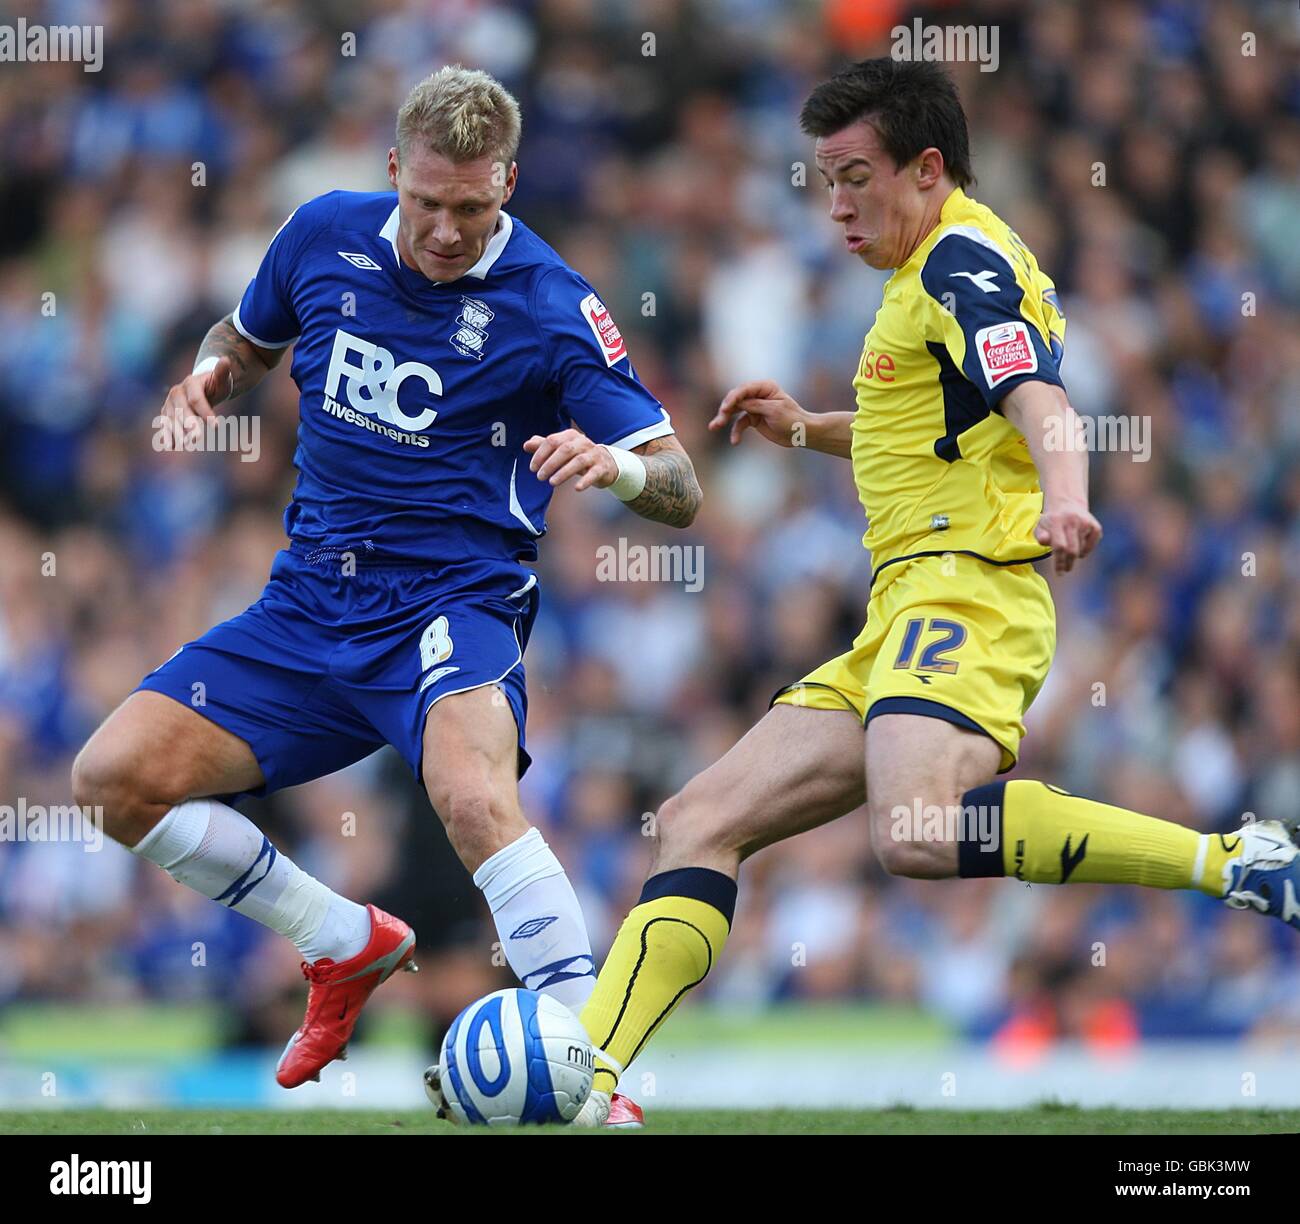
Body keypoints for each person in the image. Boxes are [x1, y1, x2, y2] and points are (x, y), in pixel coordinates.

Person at [548, 57, 1297, 1128]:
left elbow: (1041, 402)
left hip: (967, 596)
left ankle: (1231, 859)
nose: (838, 205)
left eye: (856, 176)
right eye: (823, 180)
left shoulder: (961, 264)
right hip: (904, 608)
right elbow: (944, 424)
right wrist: (807, 428)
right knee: (694, 821)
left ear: (927, 167)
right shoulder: (925, 278)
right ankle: (595, 1081)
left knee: (912, 829)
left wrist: (1068, 501)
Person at [71, 65, 700, 1117]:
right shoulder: (322, 234)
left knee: (470, 798)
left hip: (452, 605)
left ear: (508, 181)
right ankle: (340, 943)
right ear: (395, 170)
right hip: (308, 606)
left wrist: (618, 468)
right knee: (113, 780)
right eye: (428, 203)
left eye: (474, 207)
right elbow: (246, 336)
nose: (448, 230)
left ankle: (598, 1072)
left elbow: (678, 487)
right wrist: (210, 374)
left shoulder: (552, 305)